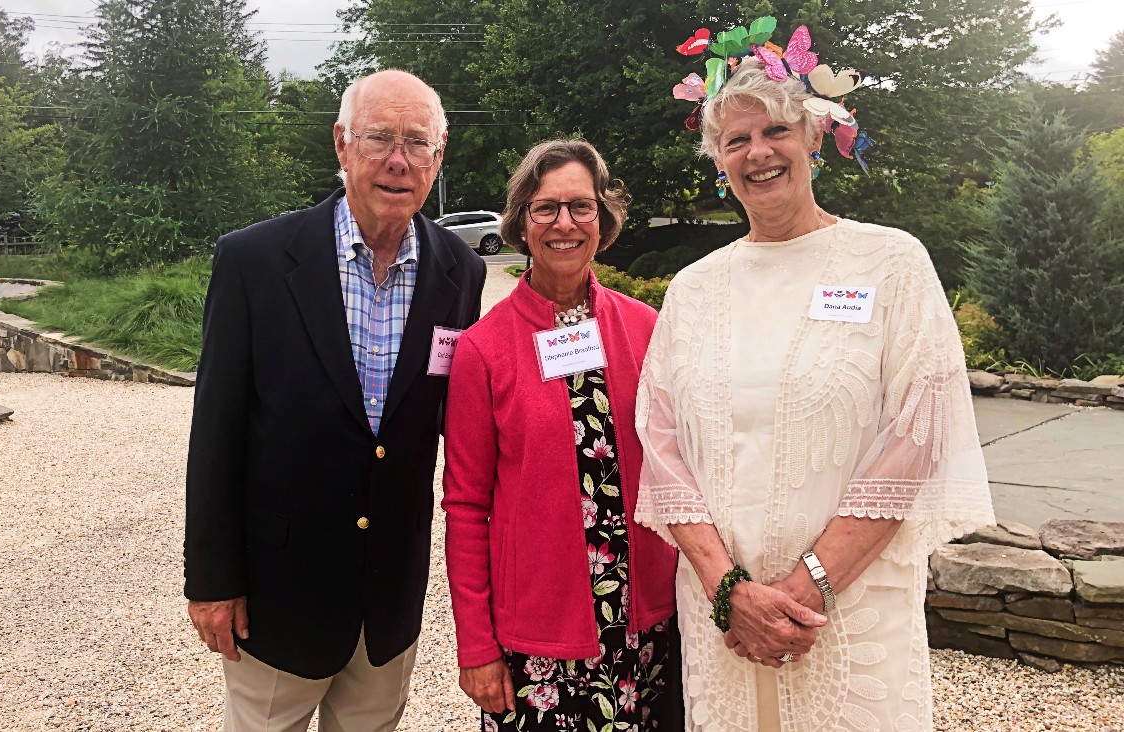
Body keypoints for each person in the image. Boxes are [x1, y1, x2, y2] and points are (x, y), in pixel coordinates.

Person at [634, 54, 996, 729]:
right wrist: (729, 593)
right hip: (724, 619)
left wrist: (806, 590)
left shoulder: (890, 264)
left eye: (774, 131)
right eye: (736, 140)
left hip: (847, 611)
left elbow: (918, 432)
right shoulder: (695, 290)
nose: (758, 152)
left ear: (812, 138)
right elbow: (661, 444)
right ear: (719, 161)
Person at [183, 69, 486, 731]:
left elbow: (449, 416)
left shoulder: (461, 272)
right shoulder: (254, 261)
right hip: (277, 594)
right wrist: (210, 579)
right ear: (342, 145)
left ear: (439, 157)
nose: (398, 160)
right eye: (380, 138)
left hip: (388, 599)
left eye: (418, 143)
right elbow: (216, 432)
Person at [443, 139, 681, 731]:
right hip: (543, 645)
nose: (564, 224)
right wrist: (477, 646)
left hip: (648, 628)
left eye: (581, 206)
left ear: (603, 219)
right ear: (522, 221)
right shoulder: (484, 350)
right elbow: (466, 507)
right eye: (546, 208)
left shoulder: (647, 329)